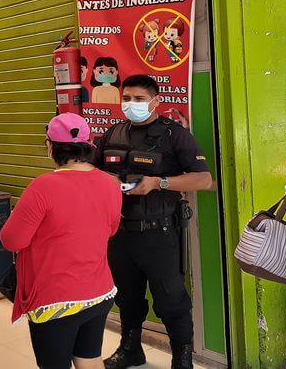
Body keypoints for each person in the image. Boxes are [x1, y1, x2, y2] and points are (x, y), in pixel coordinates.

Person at [96, 75, 212, 369]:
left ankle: (182, 359)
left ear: (156, 101)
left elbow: (203, 179)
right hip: (120, 234)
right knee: (127, 297)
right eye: (127, 98)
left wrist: (158, 183)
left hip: (159, 233)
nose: (131, 104)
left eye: (138, 99)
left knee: (171, 301)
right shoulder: (113, 134)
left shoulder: (174, 135)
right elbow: (92, 170)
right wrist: (104, 179)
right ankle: (131, 349)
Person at [0, 113, 122, 369]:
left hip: (56, 300)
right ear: (89, 145)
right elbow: (111, 229)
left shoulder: (43, 186)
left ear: (50, 146)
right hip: (100, 292)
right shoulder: (109, 183)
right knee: (89, 359)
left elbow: (12, 240)